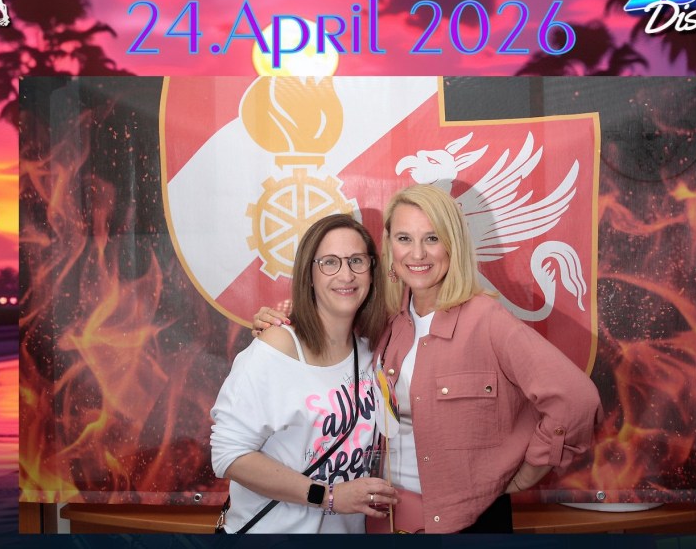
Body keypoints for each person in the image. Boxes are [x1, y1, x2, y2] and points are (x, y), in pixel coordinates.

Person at [255, 184, 602, 533]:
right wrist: (281, 318)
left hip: (468, 524)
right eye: (404, 238)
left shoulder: (486, 320)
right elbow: (325, 328)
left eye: (432, 238)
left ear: (452, 244)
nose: (417, 253)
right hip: (385, 519)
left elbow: (576, 400)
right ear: (390, 246)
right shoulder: (386, 320)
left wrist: (527, 473)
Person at [211, 213, 398, 533]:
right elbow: (228, 455)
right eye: (329, 262)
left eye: (356, 261)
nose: (346, 275)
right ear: (309, 275)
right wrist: (328, 496)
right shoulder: (277, 347)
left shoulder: (372, 350)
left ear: (371, 271)